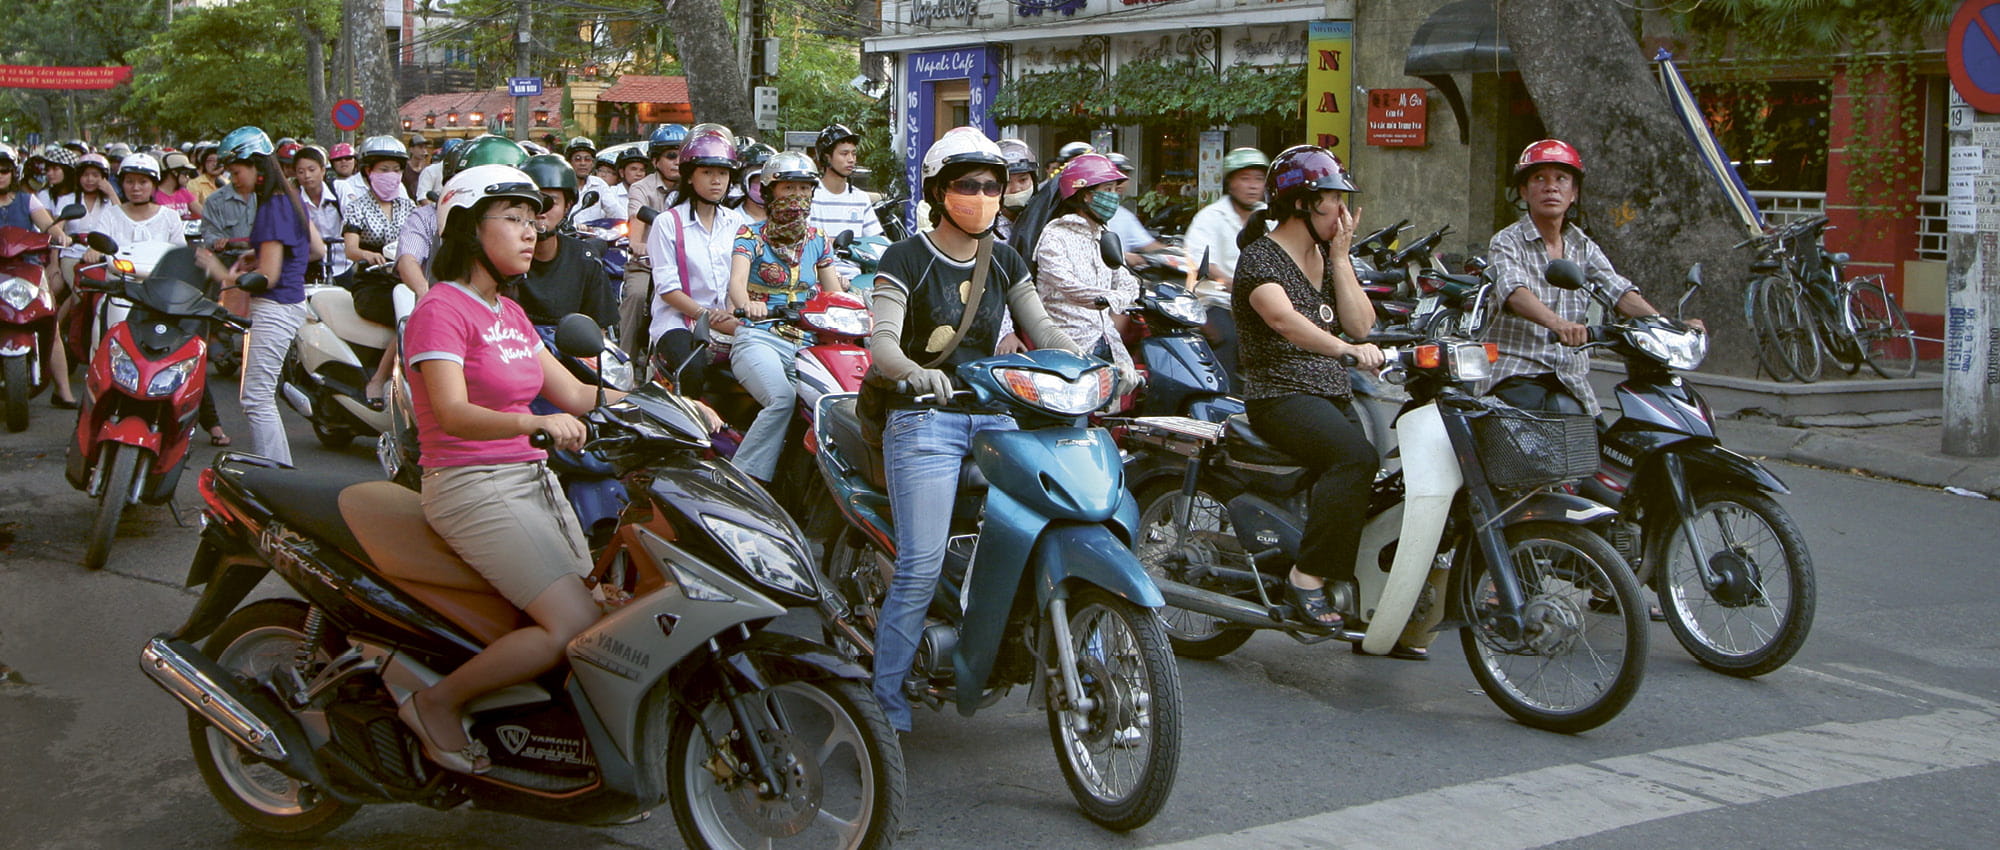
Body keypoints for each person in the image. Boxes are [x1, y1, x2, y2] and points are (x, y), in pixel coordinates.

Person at [397, 164, 623, 775]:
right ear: (470, 230)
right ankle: (435, 705)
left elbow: (576, 395)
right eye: (515, 220)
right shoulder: (440, 310)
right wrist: (534, 424)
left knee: (601, 610)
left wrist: (667, 405)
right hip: (470, 485)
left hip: (533, 482)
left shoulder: (511, 315)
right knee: (572, 625)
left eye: (535, 218)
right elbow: (450, 412)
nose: (533, 231)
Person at [864, 127, 1084, 731]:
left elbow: (1043, 330)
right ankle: (884, 705)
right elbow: (882, 344)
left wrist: (1092, 368)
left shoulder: (1006, 257)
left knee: (1044, 529)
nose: (982, 196)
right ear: (938, 191)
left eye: (992, 185)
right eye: (968, 185)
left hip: (994, 420)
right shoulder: (904, 258)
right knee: (921, 564)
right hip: (924, 419)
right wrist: (914, 374)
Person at [1229, 144, 1385, 638]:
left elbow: (1361, 325)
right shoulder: (1260, 259)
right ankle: (1306, 575)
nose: (1343, 212)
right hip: (1279, 396)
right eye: (1334, 199)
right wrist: (1343, 350)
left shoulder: (1326, 254)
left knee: (1379, 475)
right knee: (1355, 459)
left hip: (1333, 392)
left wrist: (1341, 259)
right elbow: (1285, 322)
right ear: (1302, 202)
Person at [1482, 139, 1681, 417]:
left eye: (1561, 179)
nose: (1551, 187)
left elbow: (1616, 289)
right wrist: (1559, 324)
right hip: (1517, 371)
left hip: (1570, 378)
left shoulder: (1581, 245)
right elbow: (1514, 291)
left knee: (1608, 448)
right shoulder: (1507, 241)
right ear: (1524, 191)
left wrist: (1667, 328)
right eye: (1539, 178)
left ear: (1573, 192)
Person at [724, 149, 845, 484]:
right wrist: (748, 303)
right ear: (769, 192)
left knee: (836, 404)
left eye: (804, 189)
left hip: (808, 342)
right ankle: (742, 481)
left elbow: (833, 293)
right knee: (781, 399)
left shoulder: (818, 239)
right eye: (788, 189)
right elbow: (736, 281)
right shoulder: (750, 235)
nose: (797, 197)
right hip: (760, 334)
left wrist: (860, 308)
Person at [208, 126, 319, 467]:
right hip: (291, 303)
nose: (233, 179)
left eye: (236, 171)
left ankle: (278, 479)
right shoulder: (289, 196)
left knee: (256, 398)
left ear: (256, 166)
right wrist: (258, 255)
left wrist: (221, 272)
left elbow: (268, 279)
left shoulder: (273, 206)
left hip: (275, 307)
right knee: (259, 396)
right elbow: (315, 249)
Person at [646, 134, 749, 392]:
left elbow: (740, 277)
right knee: (691, 370)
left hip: (729, 317)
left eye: (723, 173)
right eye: (707, 172)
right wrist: (707, 317)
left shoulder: (736, 223)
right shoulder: (668, 223)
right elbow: (668, 289)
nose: (717, 180)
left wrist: (733, 311)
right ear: (690, 176)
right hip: (679, 321)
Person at [0, 143, 77, 408]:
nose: (0, 176)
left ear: (13, 173)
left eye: (4, 170)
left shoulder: (26, 200)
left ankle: (64, 391)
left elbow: (48, 225)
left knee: (50, 323)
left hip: (27, 268)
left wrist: (60, 236)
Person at [513, 154, 616, 327]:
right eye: (534, 201)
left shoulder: (585, 260)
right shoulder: (503, 256)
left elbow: (597, 332)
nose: (541, 211)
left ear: (567, 206)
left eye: (551, 202)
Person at [619, 126, 685, 360]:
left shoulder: (693, 187)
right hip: (647, 265)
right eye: (670, 156)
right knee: (636, 296)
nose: (677, 162)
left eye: (681, 155)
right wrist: (637, 244)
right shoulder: (641, 188)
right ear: (655, 161)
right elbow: (637, 217)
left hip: (685, 267)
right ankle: (624, 361)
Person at [807, 123, 882, 280]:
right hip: (817, 278)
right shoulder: (810, 196)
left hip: (856, 279)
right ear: (827, 157)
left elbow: (875, 241)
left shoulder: (860, 198)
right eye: (844, 154)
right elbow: (803, 240)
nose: (851, 159)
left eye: (854, 154)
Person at [1184, 147, 1268, 288]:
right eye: (1245, 179)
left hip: (1265, 299)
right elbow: (1201, 262)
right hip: (1219, 300)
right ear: (1229, 183)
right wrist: (1232, 284)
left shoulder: (1270, 216)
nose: (1253, 186)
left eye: (1259, 179)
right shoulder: (1210, 217)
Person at [292, 146, 351, 288]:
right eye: (301, 172)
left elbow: (352, 218)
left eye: (312, 170)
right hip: (311, 263)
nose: (307, 175)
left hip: (343, 262)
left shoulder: (339, 189)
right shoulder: (294, 198)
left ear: (323, 170)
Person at [993, 138, 1038, 241]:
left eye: (1023, 180)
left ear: (1033, 181)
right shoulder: (984, 226)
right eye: (1008, 182)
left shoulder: (1042, 219)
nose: (1016, 189)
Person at [153, 153, 200, 221]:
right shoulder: (154, 195)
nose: (188, 178)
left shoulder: (184, 192)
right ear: (174, 173)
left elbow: (203, 213)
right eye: (186, 173)